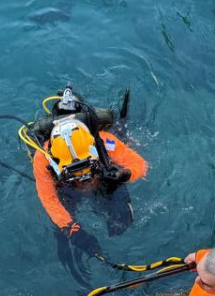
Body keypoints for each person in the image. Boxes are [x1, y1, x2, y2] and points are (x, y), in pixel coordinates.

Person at [25, 84, 148, 271]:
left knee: (122, 223)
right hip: (68, 190)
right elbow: (49, 199)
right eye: (74, 169)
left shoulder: (105, 141)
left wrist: (124, 175)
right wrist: (74, 231)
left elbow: (140, 165)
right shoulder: (42, 158)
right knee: (63, 236)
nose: (82, 177)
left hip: (104, 180)